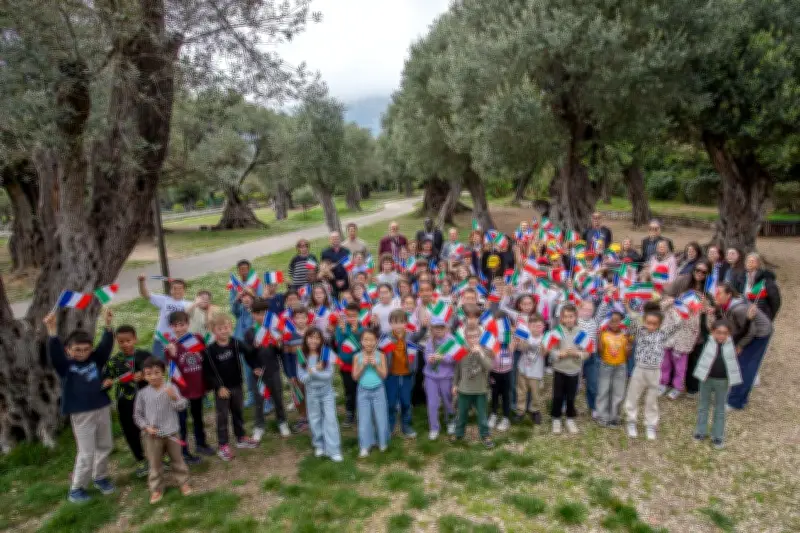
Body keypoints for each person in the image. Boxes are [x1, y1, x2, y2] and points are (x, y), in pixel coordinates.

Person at [45, 309, 116, 503]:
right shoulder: (66, 367)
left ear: (90, 349)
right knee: (86, 452)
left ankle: (100, 477)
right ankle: (77, 488)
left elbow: (106, 346)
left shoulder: (95, 359)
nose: (82, 353)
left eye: (86, 350)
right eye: (77, 350)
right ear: (68, 350)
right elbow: (55, 354)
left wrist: (108, 325)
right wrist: (52, 330)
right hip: (80, 414)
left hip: (101, 407)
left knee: (105, 445)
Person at [133, 357, 191, 504]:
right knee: (155, 464)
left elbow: (182, 406)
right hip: (152, 436)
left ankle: (183, 482)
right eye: (149, 374)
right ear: (144, 376)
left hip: (172, 432)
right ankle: (156, 488)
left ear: (163, 373)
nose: (153, 376)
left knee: (177, 460)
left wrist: (175, 397)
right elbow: (137, 415)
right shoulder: (142, 394)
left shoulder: (171, 388)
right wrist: (146, 427)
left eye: (157, 372)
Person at [203, 313, 261, 461]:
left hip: (237, 385)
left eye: (227, 327)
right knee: (222, 417)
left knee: (238, 412)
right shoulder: (210, 350)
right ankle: (223, 446)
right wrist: (219, 387)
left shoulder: (235, 343)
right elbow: (208, 372)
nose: (224, 331)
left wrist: (255, 360)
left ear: (231, 328)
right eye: (220, 328)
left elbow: (249, 353)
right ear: (213, 330)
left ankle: (241, 438)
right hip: (222, 389)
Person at [709, 283, 772, 411]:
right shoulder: (727, 305)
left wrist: (740, 346)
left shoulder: (739, 309)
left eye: (719, 293)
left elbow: (751, 331)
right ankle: (741, 391)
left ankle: (735, 402)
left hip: (759, 334)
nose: (716, 295)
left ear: (729, 295)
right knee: (741, 364)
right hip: (749, 333)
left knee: (745, 366)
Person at [623, 301, 682, 441]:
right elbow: (631, 321)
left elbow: (678, 324)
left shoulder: (662, 334)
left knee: (652, 399)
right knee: (633, 396)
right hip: (640, 369)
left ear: (660, 324)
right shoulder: (640, 332)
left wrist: (671, 308)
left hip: (655, 371)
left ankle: (650, 424)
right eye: (648, 322)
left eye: (654, 323)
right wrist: (627, 307)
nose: (651, 326)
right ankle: (631, 420)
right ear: (644, 321)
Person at [102, 325, 151, 478]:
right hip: (125, 402)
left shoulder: (145, 355)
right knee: (131, 431)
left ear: (135, 339)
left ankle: (161, 455)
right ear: (117, 341)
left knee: (153, 426)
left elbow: (158, 371)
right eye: (121, 341)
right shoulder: (113, 361)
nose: (125, 344)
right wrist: (107, 382)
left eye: (128, 340)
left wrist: (144, 375)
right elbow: (105, 379)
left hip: (147, 399)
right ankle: (140, 459)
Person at [164, 311, 210, 464]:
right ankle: (183, 452)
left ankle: (201, 444)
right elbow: (172, 370)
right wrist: (174, 354)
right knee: (181, 423)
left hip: (197, 385)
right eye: (175, 326)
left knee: (198, 417)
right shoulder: (171, 346)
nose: (179, 328)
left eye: (182, 325)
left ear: (187, 324)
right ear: (171, 327)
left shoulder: (196, 339)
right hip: (182, 390)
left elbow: (204, 358)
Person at [693, 320, 742, 450]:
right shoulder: (707, 341)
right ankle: (700, 432)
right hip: (706, 379)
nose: (721, 336)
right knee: (703, 406)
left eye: (725, 333)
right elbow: (702, 326)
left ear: (729, 334)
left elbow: (744, 331)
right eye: (718, 333)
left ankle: (718, 436)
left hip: (723, 381)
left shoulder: (732, 343)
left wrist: (748, 319)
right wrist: (703, 313)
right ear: (712, 332)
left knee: (720, 409)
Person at [245, 299, 291, 440]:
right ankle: (259, 426)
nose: (261, 316)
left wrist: (278, 345)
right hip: (259, 372)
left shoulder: (273, 330)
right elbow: (248, 354)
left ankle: (282, 422)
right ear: (253, 315)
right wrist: (254, 367)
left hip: (273, 369)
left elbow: (280, 351)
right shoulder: (250, 332)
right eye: (258, 314)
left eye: (264, 313)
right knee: (259, 399)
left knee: (278, 396)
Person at [297, 328, 342, 462]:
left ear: (321, 340)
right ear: (306, 339)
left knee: (330, 419)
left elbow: (328, 376)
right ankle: (319, 444)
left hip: (327, 392)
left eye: (317, 338)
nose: (313, 341)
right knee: (315, 419)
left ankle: (333, 449)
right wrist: (315, 370)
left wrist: (312, 372)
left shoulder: (326, 354)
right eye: (310, 337)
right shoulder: (301, 355)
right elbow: (302, 378)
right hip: (311, 393)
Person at [384, 309, 427, 439]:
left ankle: (406, 425)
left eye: (401, 322)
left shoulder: (410, 336)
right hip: (391, 375)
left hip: (407, 375)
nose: (398, 326)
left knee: (406, 402)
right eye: (395, 322)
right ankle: (390, 426)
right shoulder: (386, 337)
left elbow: (420, 335)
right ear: (390, 323)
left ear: (406, 323)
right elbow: (377, 348)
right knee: (391, 402)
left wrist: (424, 326)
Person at [451, 326, 495, 448]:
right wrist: (455, 384)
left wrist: (480, 353)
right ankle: (459, 433)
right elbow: (457, 370)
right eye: (470, 337)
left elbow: (489, 367)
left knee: (482, 414)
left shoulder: (485, 351)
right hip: (464, 389)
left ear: (479, 337)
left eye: (475, 336)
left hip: (480, 389)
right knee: (462, 413)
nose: (473, 339)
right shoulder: (462, 351)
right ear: (465, 338)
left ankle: (485, 434)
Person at [549, 304, 589, 435]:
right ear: (561, 318)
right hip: (560, 369)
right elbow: (551, 351)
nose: (568, 319)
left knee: (571, 396)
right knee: (558, 395)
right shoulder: (557, 331)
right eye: (565, 317)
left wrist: (577, 354)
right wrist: (559, 354)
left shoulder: (580, 332)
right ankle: (556, 418)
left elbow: (587, 352)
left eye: (571, 316)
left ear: (575, 317)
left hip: (574, 370)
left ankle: (570, 418)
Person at [353, 329, 389, 458]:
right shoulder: (357, 357)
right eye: (365, 340)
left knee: (381, 417)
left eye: (371, 340)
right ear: (361, 342)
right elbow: (355, 377)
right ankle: (365, 445)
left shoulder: (381, 355)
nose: (368, 343)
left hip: (378, 389)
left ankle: (382, 442)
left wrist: (376, 366)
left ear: (376, 341)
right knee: (364, 419)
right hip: (363, 390)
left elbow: (384, 375)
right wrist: (362, 366)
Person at [137, 274, 191, 360]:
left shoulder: (189, 305)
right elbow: (145, 294)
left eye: (180, 288)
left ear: (185, 290)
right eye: (174, 288)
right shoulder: (164, 300)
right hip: (160, 339)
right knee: (157, 364)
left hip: (178, 341)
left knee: (176, 366)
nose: (177, 291)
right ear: (170, 290)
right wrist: (141, 282)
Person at [423, 317, 458, 440]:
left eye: (441, 327)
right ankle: (434, 427)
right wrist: (430, 359)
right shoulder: (429, 342)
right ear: (431, 329)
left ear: (446, 328)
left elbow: (454, 358)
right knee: (432, 403)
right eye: (435, 328)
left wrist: (442, 357)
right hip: (431, 376)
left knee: (448, 401)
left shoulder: (452, 341)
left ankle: (451, 422)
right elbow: (426, 356)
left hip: (446, 377)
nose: (438, 330)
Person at [596, 309, 632, 427]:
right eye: (612, 321)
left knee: (618, 392)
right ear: (608, 322)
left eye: (618, 321)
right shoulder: (604, 334)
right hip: (606, 365)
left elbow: (628, 355)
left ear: (622, 322)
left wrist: (628, 347)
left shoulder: (626, 335)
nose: (615, 324)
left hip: (620, 366)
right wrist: (599, 337)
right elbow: (600, 352)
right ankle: (602, 416)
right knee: (603, 390)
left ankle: (614, 417)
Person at [510, 314, 546, 425]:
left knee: (535, 393)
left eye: (539, 326)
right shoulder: (526, 335)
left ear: (543, 327)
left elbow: (544, 353)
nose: (536, 329)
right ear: (529, 326)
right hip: (523, 369)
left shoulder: (544, 338)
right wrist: (522, 341)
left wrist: (542, 346)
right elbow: (520, 348)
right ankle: (520, 410)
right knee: (521, 391)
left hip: (536, 372)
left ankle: (534, 410)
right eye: (533, 326)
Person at [743, 252, 781, 321]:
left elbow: (775, 300)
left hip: (762, 316)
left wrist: (769, 315)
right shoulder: (742, 278)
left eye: (753, 261)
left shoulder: (766, 279)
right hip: (746, 316)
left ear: (758, 264)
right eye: (748, 261)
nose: (750, 263)